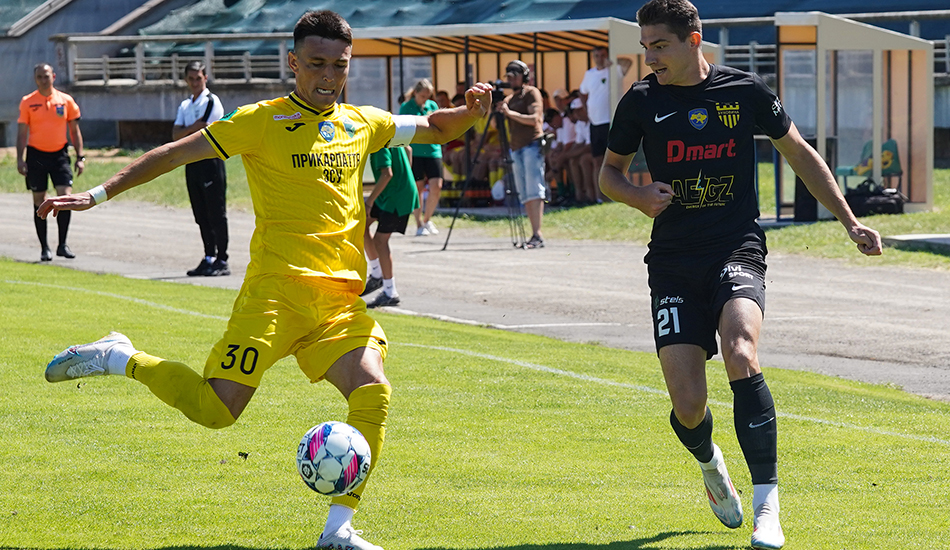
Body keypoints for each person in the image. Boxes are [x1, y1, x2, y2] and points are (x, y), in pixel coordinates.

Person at [39, 10, 492, 550]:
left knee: (373, 391)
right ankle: (121, 357)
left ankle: (338, 530)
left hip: (339, 304)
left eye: (340, 65)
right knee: (216, 412)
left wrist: (471, 112)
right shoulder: (260, 121)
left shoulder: (363, 123)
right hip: (274, 295)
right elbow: (173, 154)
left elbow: (437, 128)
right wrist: (96, 194)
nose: (328, 76)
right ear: (293, 62)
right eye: (317, 63)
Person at [599, 2, 883, 549]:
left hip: (736, 248)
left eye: (660, 45)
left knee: (742, 351)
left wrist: (850, 221)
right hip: (673, 262)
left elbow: (799, 154)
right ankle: (711, 464)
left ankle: (767, 508)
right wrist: (637, 196)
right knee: (688, 406)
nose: (649, 57)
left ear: (693, 40)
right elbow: (608, 174)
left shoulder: (744, 91)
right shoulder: (641, 100)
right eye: (645, 46)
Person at [17, 63, 84, 262]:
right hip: (36, 155)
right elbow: (22, 134)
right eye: (39, 77)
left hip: (59, 154)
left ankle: (62, 245)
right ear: (35, 79)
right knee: (39, 200)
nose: (43, 80)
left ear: (53, 76)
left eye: (46, 76)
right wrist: (20, 159)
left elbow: (74, 131)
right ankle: (44, 248)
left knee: (65, 197)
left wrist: (80, 157)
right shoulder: (28, 102)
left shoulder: (65, 100)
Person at [172, 61, 230, 277]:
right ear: (186, 80)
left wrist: (189, 131)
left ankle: (222, 259)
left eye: (199, 78)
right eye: (191, 79)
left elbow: (208, 131)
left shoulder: (211, 101)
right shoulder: (185, 105)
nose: (195, 82)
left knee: (216, 212)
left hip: (210, 161)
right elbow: (176, 134)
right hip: (191, 161)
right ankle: (208, 257)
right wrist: (192, 128)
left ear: (205, 78)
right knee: (201, 214)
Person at [361, 145, 419, 308]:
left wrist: (369, 202)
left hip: (396, 196)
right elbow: (408, 149)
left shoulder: (379, 142)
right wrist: (405, 176)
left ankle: (390, 292)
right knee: (361, 225)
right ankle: (377, 274)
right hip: (389, 193)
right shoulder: (389, 135)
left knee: (380, 240)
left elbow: (387, 174)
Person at [498, 60, 546, 249]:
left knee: (534, 190)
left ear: (523, 77)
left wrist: (509, 113)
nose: (511, 80)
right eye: (508, 77)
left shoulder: (531, 93)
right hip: (516, 148)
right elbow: (494, 125)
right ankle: (533, 233)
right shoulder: (509, 99)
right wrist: (498, 110)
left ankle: (537, 234)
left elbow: (535, 119)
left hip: (532, 145)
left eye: (514, 76)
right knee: (524, 192)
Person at [400, 79, 444, 236]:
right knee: (418, 187)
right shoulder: (406, 107)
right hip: (416, 151)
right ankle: (418, 223)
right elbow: (403, 128)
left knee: (436, 185)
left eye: (428, 96)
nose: (425, 99)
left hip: (433, 150)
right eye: (423, 96)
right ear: (416, 93)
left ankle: (427, 220)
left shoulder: (432, 106)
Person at [579, 45, 613, 203]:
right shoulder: (589, 74)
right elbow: (582, 92)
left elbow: (628, 63)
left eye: (602, 55)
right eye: (597, 56)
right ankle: (599, 197)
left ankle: (613, 194)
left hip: (609, 121)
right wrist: (587, 110)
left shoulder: (613, 70)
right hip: (595, 123)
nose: (599, 59)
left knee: (611, 161)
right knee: (597, 160)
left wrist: (612, 63)